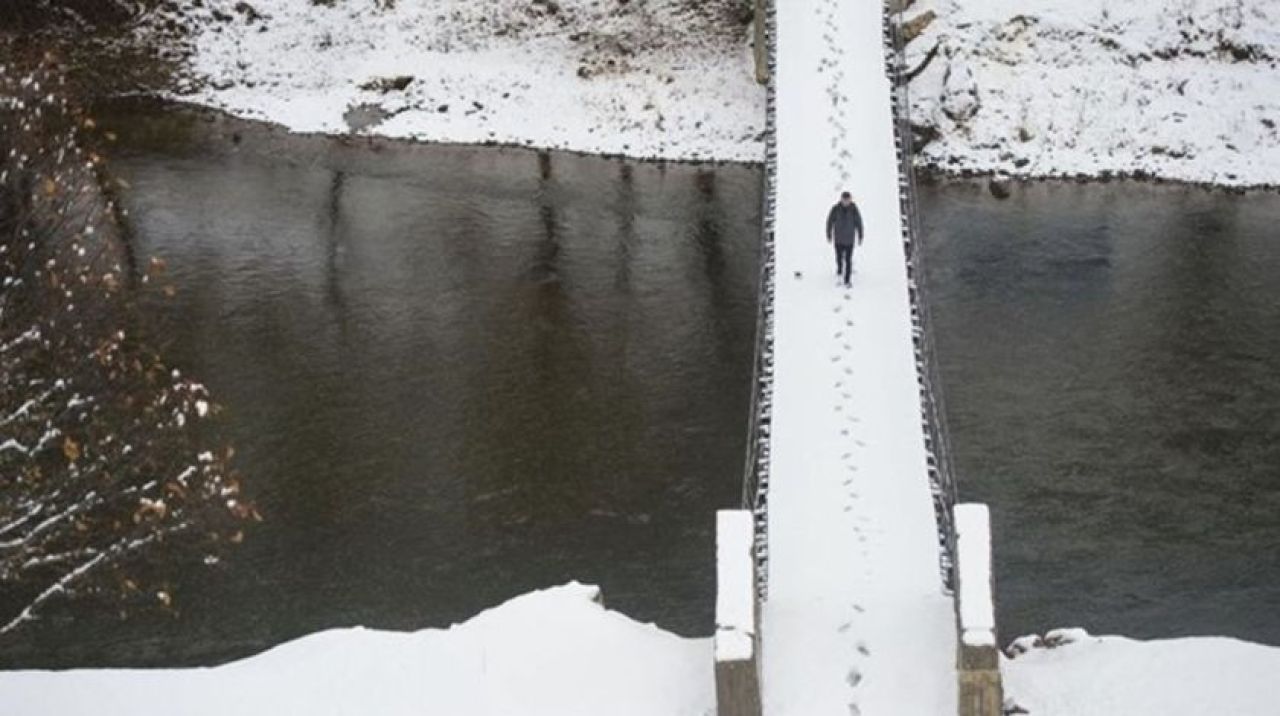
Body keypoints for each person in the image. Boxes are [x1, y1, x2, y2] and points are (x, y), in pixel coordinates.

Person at [825, 191, 864, 287]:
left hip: (849, 239)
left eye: (848, 200)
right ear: (841, 199)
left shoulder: (854, 210)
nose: (846, 202)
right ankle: (839, 269)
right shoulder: (835, 209)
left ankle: (847, 279)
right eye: (844, 200)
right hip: (838, 238)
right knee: (838, 257)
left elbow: (859, 223)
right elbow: (829, 221)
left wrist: (860, 235)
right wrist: (829, 234)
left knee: (848, 259)